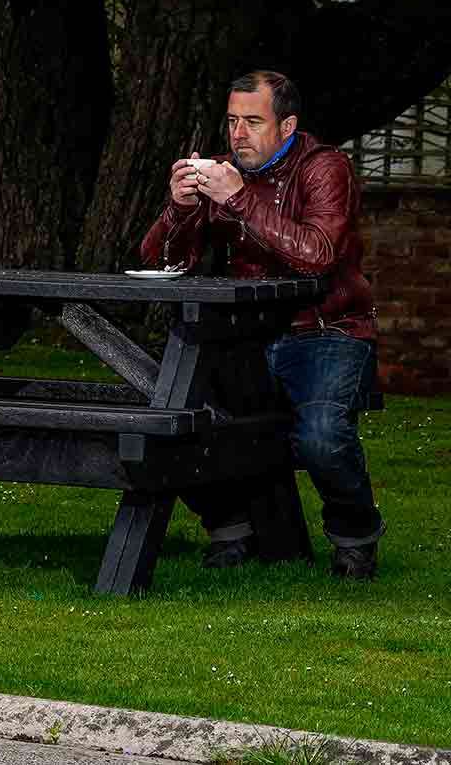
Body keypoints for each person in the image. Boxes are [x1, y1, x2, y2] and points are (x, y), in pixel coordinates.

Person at [139, 69, 382, 580]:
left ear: (287, 125)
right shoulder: (225, 173)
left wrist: (237, 199)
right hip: (243, 333)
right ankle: (230, 529)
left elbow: (317, 255)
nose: (238, 134)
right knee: (169, 414)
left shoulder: (325, 168)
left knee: (321, 437)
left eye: (253, 121)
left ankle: (355, 536)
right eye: (232, 121)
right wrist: (180, 208)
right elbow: (165, 264)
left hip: (325, 328)